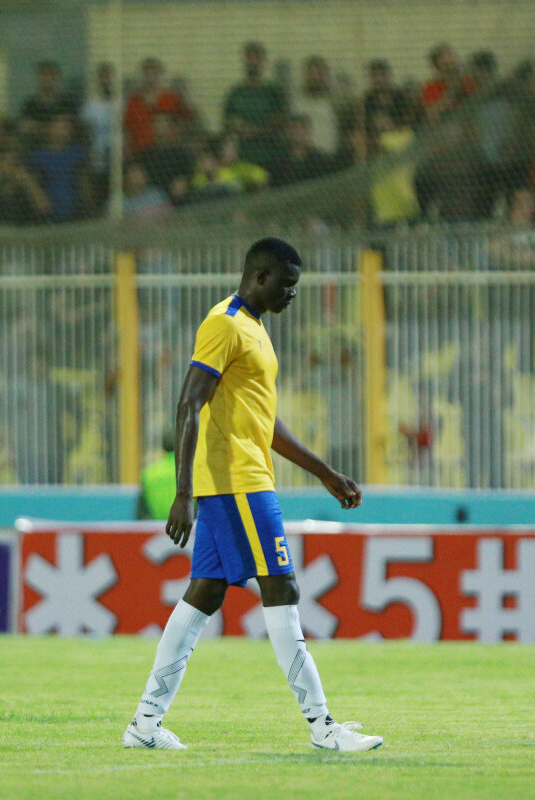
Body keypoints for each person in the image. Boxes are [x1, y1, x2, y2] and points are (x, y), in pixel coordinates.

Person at [123, 237, 382, 752]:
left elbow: (265, 422)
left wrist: (324, 472)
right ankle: (322, 727)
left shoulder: (255, 329)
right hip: (238, 482)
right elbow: (188, 404)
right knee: (281, 588)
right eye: (287, 285)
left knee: (205, 593)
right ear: (261, 277)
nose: (292, 294)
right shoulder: (223, 325)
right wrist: (183, 492)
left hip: (240, 480)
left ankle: (145, 724)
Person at [136, 432, 176, 520]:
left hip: (156, 525)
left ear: (163, 448)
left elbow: (142, 509)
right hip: (186, 525)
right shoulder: (191, 473)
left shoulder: (148, 473)